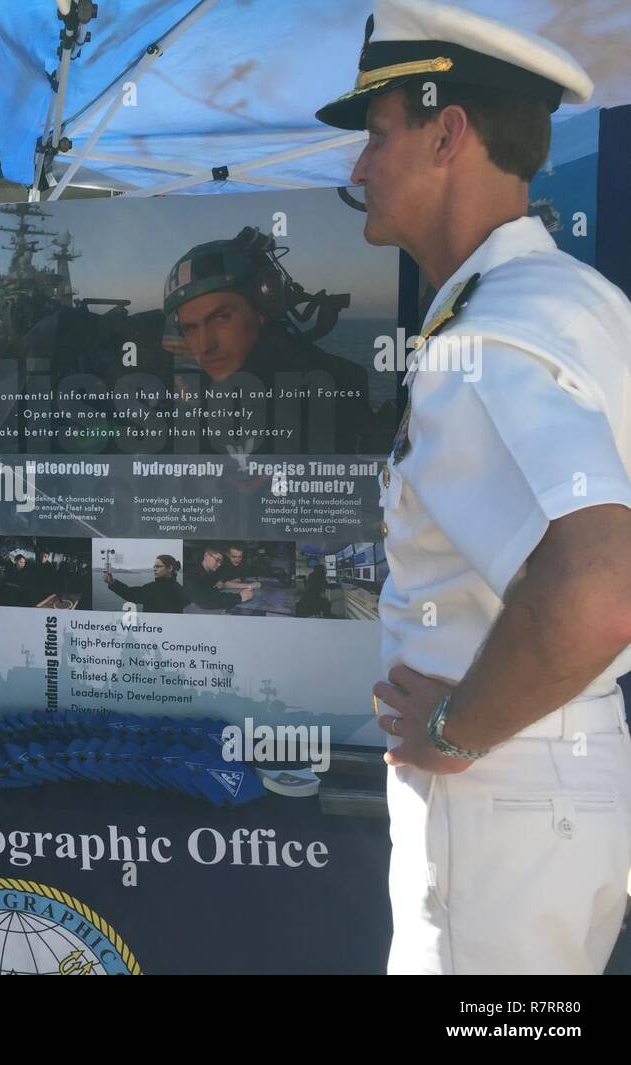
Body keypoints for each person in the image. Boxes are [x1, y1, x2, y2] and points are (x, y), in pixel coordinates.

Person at [317, 0, 631, 974]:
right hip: (554, 778)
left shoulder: (486, 340)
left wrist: (455, 735)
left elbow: (599, 586)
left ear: (446, 132)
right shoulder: (579, 303)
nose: (355, 171)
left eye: (375, 139)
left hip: (503, 788)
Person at [164, 229, 371, 455]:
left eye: (221, 317)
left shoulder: (329, 396)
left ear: (263, 306)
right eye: (190, 328)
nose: (204, 346)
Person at [102, 554, 190, 614]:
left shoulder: (151, 589)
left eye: (158, 566)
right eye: (154, 566)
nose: (154, 569)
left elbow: (129, 593)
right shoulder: (180, 589)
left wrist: (111, 582)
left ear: (170, 568)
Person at [186, 549, 255, 611]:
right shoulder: (193, 574)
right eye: (217, 560)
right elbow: (206, 601)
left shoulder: (209, 573)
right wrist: (239, 597)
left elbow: (217, 588)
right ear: (206, 555)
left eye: (220, 562)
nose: (219, 564)